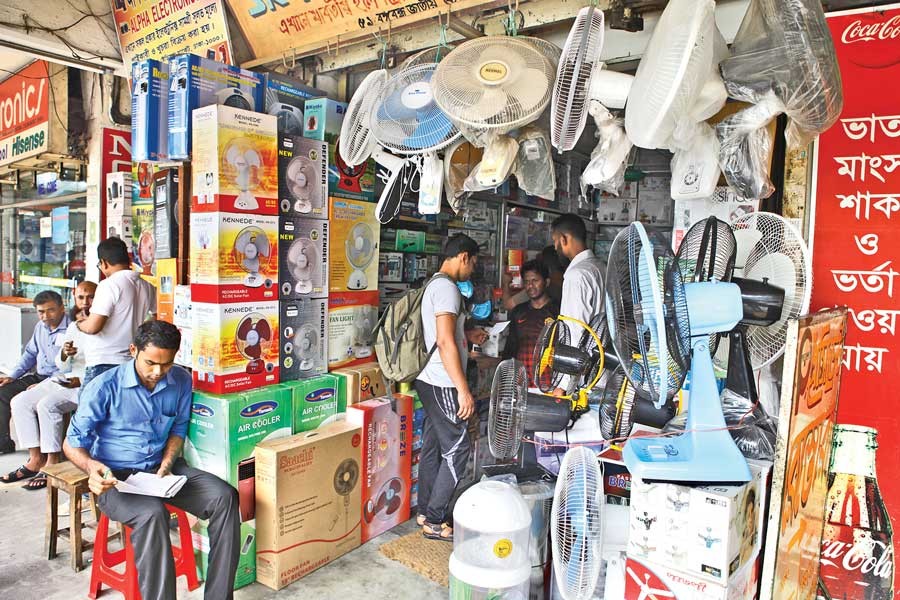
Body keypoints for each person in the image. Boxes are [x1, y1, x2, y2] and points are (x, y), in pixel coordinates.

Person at [64, 320, 240, 600]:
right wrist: (91, 468)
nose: (158, 372)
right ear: (133, 350)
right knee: (152, 515)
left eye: (167, 364)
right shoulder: (104, 387)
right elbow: (72, 442)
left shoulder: (181, 380)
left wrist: (168, 462)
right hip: (116, 479)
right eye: (151, 363)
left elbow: (178, 429)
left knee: (225, 497)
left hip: (161, 472)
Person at [415, 234, 488, 542]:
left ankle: (424, 511)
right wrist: (463, 389)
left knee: (433, 446)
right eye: (473, 263)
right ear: (463, 257)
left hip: (427, 379)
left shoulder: (434, 284)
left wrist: (467, 335)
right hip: (443, 381)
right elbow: (444, 342)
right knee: (458, 449)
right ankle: (434, 520)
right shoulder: (447, 289)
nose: (472, 270)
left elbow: (441, 335)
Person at [5, 282, 97, 489]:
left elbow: (108, 365)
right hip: (66, 378)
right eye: (81, 297)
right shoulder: (74, 326)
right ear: (74, 299)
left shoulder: (105, 326)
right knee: (20, 401)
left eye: (91, 297)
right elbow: (61, 365)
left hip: (88, 384)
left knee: (46, 405)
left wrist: (82, 380)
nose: (85, 302)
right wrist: (64, 354)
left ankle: (52, 462)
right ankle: (35, 458)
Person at [76, 237, 156, 387]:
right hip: (131, 363)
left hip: (103, 363)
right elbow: (157, 319)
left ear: (104, 263)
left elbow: (93, 327)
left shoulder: (109, 285)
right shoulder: (147, 286)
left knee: (90, 402)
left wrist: (80, 324)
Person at [0, 290, 70, 457]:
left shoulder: (72, 329)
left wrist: (43, 385)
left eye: (50, 310)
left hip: (60, 380)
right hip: (39, 375)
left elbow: (70, 367)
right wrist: (13, 376)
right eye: (41, 312)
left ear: (62, 308)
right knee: (3, 392)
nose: (45, 316)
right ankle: (3, 442)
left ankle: (43, 452)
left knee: (35, 401)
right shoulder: (40, 327)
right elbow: (30, 354)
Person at [550, 213, 607, 397]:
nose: (555, 247)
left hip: (583, 379)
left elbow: (574, 330)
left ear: (564, 239)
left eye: (555, 241)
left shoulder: (576, 275)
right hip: (605, 371)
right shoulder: (601, 267)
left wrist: (563, 384)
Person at [503, 260, 560, 384]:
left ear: (546, 282)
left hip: (550, 384)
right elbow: (511, 348)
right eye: (526, 281)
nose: (530, 286)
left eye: (535, 281)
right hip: (521, 383)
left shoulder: (558, 312)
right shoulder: (518, 312)